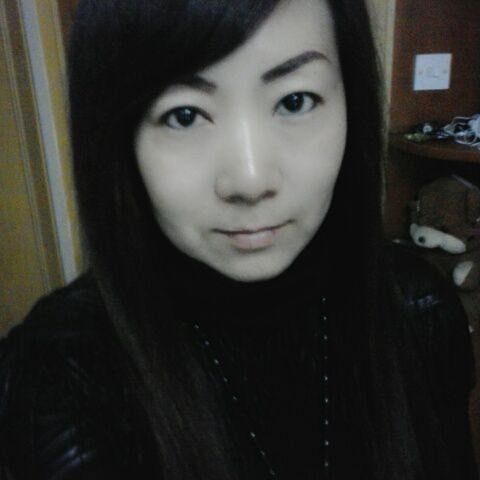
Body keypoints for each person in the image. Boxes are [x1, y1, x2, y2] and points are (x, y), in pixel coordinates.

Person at [0, 0, 477, 479]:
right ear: (118, 138)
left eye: (295, 101)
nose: (250, 180)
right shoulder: (61, 383)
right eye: (184, 115)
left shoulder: (417, 312)